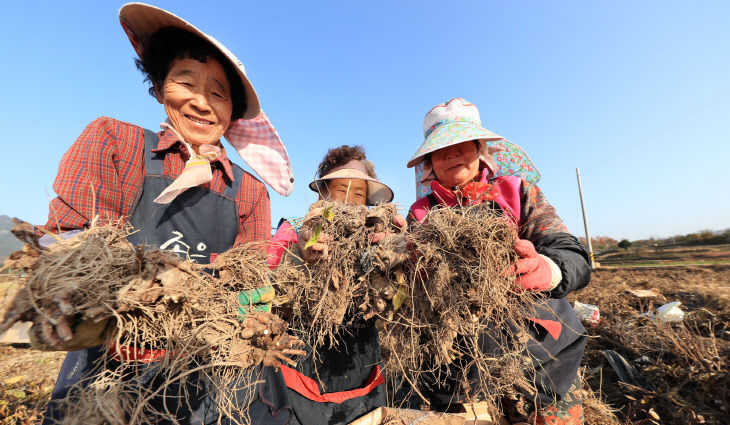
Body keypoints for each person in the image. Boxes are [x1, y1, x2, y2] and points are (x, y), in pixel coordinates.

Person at [37, 3, 294, 424]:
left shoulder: (249, 192)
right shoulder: (114, 142)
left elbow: (251, 283)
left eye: (218, 93)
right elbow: (73, 243)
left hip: (202, 373)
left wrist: (253, 313)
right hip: (105, 373)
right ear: (158, 86)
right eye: (185, 82)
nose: (201, 102)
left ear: (231, 113)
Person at [406, 98, 591, 424]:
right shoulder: (420, 213)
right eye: (441, 149)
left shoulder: (517, 191)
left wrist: (549, 269)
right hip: (459, 360)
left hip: (536, 347)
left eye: (462, 144)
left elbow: (569, 251)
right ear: (430, 161)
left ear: (480, 149)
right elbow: (405, 280)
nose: (451, 154)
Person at [267, 145, 402, 425]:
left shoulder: (375, 236)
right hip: (305, 358)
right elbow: (270, 277)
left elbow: (394, 298)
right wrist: (304, 258)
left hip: (360, 357)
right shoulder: (295, 229)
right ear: (323, 194)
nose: (350, 201)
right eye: (341, 190)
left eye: (359, 194)